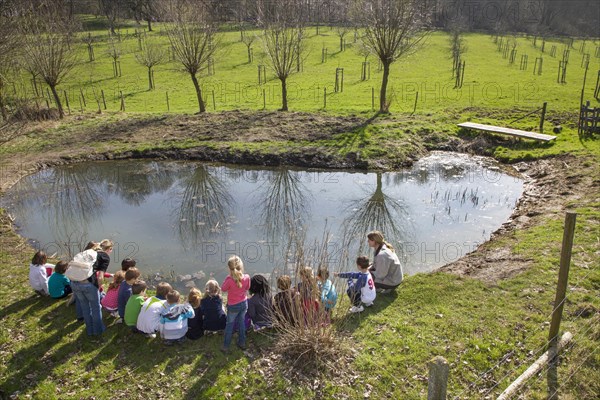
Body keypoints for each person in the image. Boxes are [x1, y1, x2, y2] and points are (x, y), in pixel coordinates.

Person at [221, 255, 250, 353]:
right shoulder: (247, 277)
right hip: (244, 303)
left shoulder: (229, 280)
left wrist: (227, 278)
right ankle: (242, 342)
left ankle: (225, 346)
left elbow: (223, 289)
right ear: (241, 266)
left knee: (229, 325)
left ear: (229, 268)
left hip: (233, 306)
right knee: (241, 322)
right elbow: (246, 288)